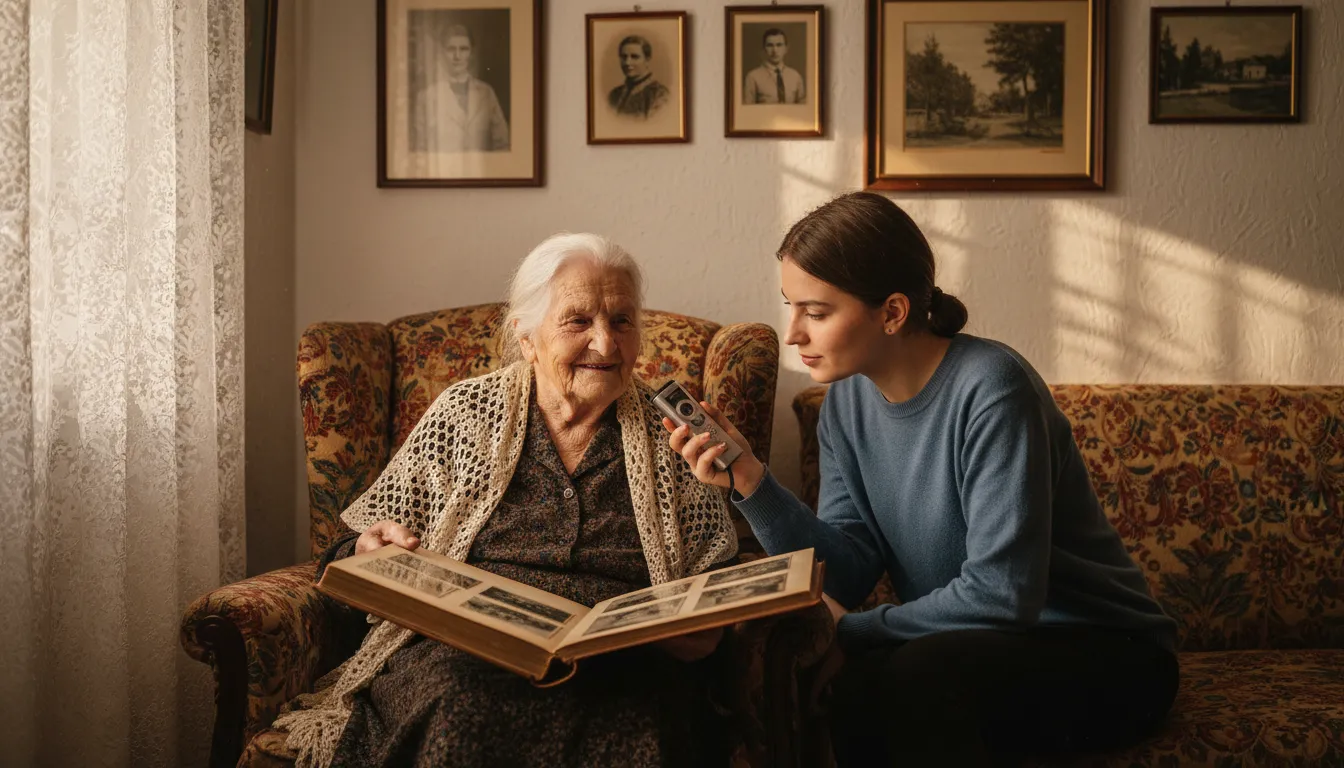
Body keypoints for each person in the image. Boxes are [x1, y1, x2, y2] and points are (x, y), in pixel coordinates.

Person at [665, 192, 1180, 766]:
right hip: (976, 647)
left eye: (816, 312)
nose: (793, 334)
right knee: (860, 688)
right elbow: (850, 570)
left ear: (892, 311)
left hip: (1105, 649)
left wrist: (854, 631)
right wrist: (750, 480)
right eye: (792, 307)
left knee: (915, 677)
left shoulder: (993, 389)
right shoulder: (845, 406)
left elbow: (1003, 595)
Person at [277, 233, 738, 768]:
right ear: (527, 336)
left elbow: (714, 581)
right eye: (578, 321)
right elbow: (348, 558)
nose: (607, 345)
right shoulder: (465, 415)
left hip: (622, 661)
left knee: (637, 717)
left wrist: (700, 630)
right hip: (464, 654)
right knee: (459, 704)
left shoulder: (674, 437)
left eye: (621, 321)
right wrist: (367, 550)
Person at [416, 23, 508, 153]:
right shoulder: (427, 96)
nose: (457, 56)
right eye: (451, 49)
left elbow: (502, 144)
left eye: (464, 49)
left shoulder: (487, 92)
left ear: (471, 53)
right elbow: (420, 152)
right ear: (442, 53)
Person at [608, 35, 670, 119]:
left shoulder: (659, 95)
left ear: (647, 60)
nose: (627, 62)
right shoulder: (614, 95)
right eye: (623, 57)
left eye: (635, 57)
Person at [744, 28, 805, 105]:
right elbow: (747, 112)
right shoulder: (752, 77)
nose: (775, 50)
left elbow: (803, 110)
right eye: (770, 45)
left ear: (786, 48)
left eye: (779, 45)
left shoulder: (796, 76)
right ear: (764, 48)